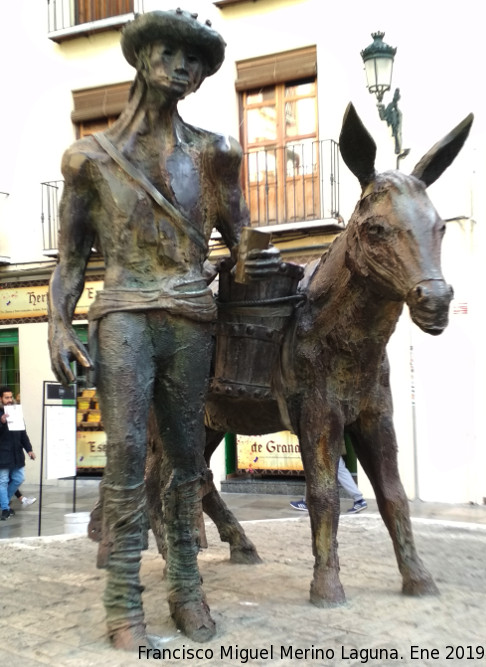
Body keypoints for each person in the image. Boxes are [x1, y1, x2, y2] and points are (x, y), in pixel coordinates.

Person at [48, 9, 279, 651]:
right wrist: (57, 325)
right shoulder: (87, 161)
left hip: (190, 316)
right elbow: (70, 262)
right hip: (122, 312)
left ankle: (186, 587)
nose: (183, 66)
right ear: (142, 57)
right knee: (125, 457)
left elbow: (238, 237)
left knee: (185, 461)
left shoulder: (214, 153)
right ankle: (123, 602)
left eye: (196, 60)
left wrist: (246, 255)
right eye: (171, 52)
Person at [0, 386, 36, 520]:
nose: (9, 400)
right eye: (6, 397)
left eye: (11, 397)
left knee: (19, 478)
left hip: (16, 454)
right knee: (3, 481)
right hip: (2, 455)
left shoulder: (16, 413)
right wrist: (2, 422)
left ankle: (3, 503)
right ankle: (5, 508)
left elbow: (23, 434)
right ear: (1, 399)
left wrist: (29, 450)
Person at [290, 456, 367, 514]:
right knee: (339, 470)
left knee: (314, 468)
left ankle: (308, 502)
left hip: (326, 442)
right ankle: (359, 500)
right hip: (332, 442)